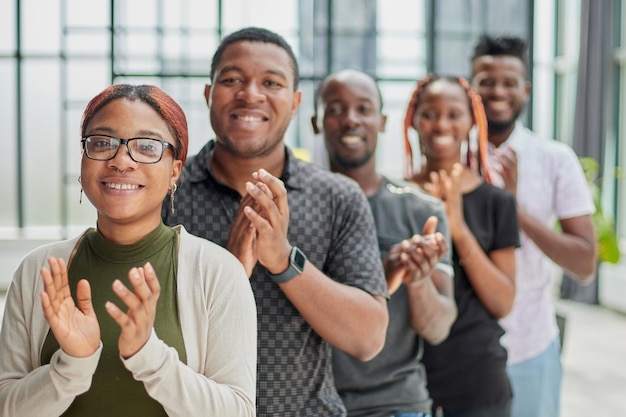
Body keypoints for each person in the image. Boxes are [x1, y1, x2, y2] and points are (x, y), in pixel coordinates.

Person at [162, 28, 389, 417]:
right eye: (232, 79)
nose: (250, 94)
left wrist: (285, 260)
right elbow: (134, 333)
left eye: (271, 82)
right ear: (208, 94)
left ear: (296, 102)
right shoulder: (165, 192)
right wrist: (229, 273)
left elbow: (367, 337)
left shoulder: (337, 197)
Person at [0, 84, 257, 417]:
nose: (121, 161)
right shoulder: (40, 270)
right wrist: (71, 365)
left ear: (174, 171)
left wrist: (148, 355)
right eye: (102, 143)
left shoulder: (217, 272)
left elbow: (237, 411)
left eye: (147, 147)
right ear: (83, 159)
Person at [312, 68, 457, 417]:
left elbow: (438, 329)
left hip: (397, 405)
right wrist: (383, 273)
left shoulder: (421, 210)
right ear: (316, 122)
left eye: (363, 109)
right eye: (336, 109)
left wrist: (417, 280)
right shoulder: (294, 205)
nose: (351, 120)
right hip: (313, 404)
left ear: (382, 121)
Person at [470, 35, 597, 417]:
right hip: (462, 350)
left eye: (509, 82)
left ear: (526, 90)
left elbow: (585, 264)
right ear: (470, 87)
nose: (497, 91)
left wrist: (513, 209)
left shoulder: (554, 158)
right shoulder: (448, 157)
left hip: (530, 347)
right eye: (485, 81)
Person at [403, 74, 520, 417]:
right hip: (407, 379)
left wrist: (457, 227)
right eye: (430, 114)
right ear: (413, 120)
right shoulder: (393, 196)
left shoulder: (497, 202)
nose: (442, 124)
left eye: (454, 114)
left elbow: (502, 303)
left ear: (472, 122)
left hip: (477, 379)